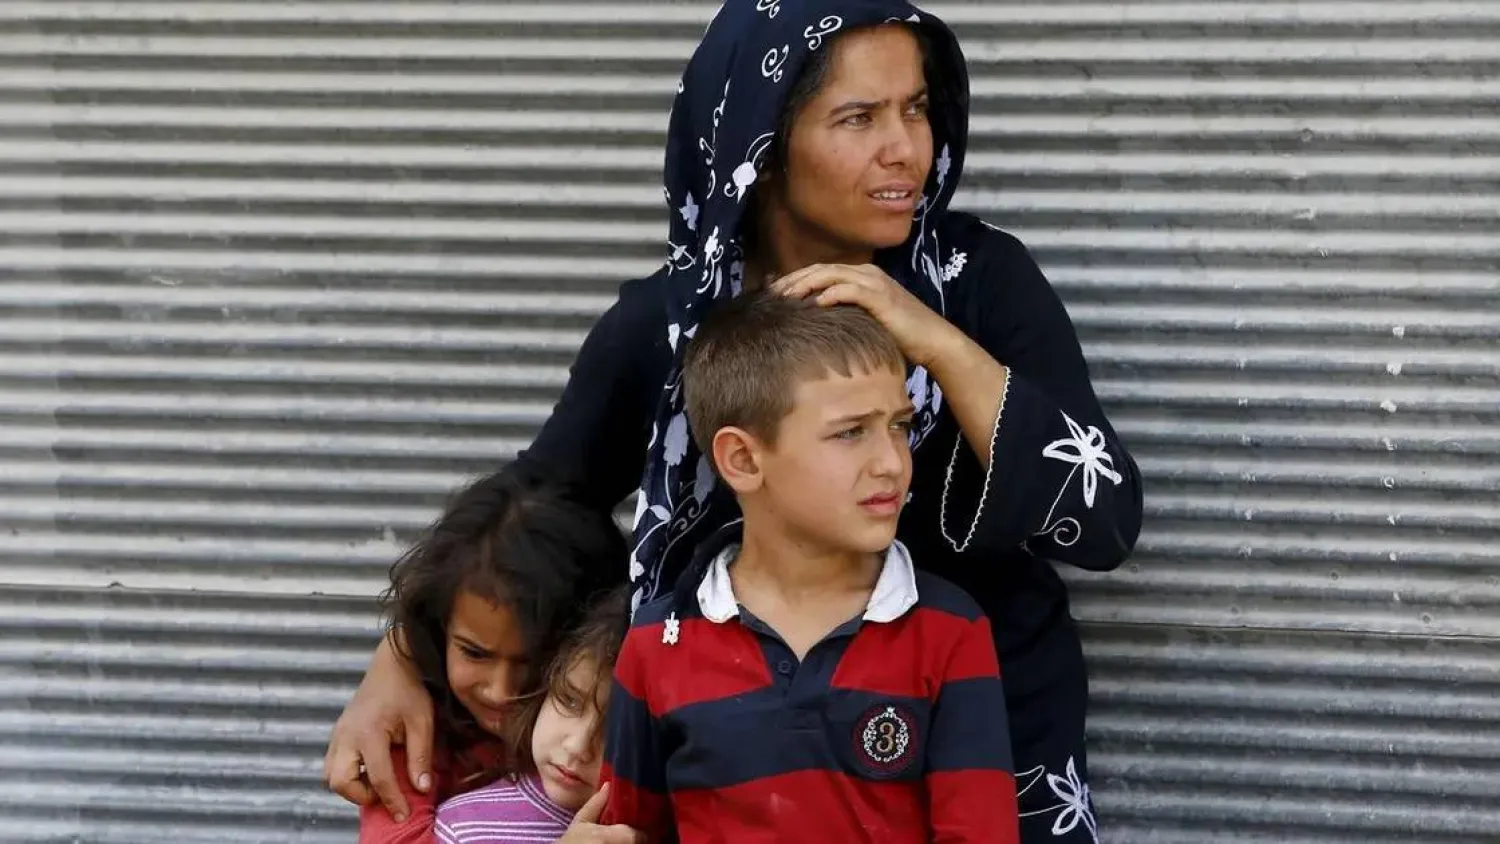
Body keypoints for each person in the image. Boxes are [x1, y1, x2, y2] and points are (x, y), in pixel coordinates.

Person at [326, 1, 1143, 841]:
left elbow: (1103, 521)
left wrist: (932, 338)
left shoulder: (977, 281)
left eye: (916, 108)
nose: (906, 148)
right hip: (738, 766)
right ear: (763, 140)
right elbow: (537, 504)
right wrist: (401, 663)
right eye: (858, 118)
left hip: (984, 745)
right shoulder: (672, 326)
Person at [601, 291, 1019, 842]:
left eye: (898, 425)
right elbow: (628, 831)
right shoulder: (658, 645)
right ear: (744, 459)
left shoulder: (947, 631)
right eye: (850, 432)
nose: (892, 462)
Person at [354, 472, 626, 843]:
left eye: (530, 661)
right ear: (439, 629)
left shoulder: (588, 746)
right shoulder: (415, 737)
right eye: (474, 653)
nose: (500, 691)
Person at [435, 586, 630, 843]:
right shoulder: (464, 828)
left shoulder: (657, 828)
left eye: (614, 730)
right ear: (543, 688)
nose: (577, 747)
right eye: (569, 701)